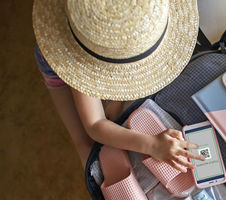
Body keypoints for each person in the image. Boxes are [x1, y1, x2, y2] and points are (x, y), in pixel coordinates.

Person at [32, 0, 205, 170]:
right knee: (86, 146)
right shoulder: (82, 56)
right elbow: (94, 125)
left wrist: (116, 101)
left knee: (111, 120)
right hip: (68, 56)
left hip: (97, 43)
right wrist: (152, 145)